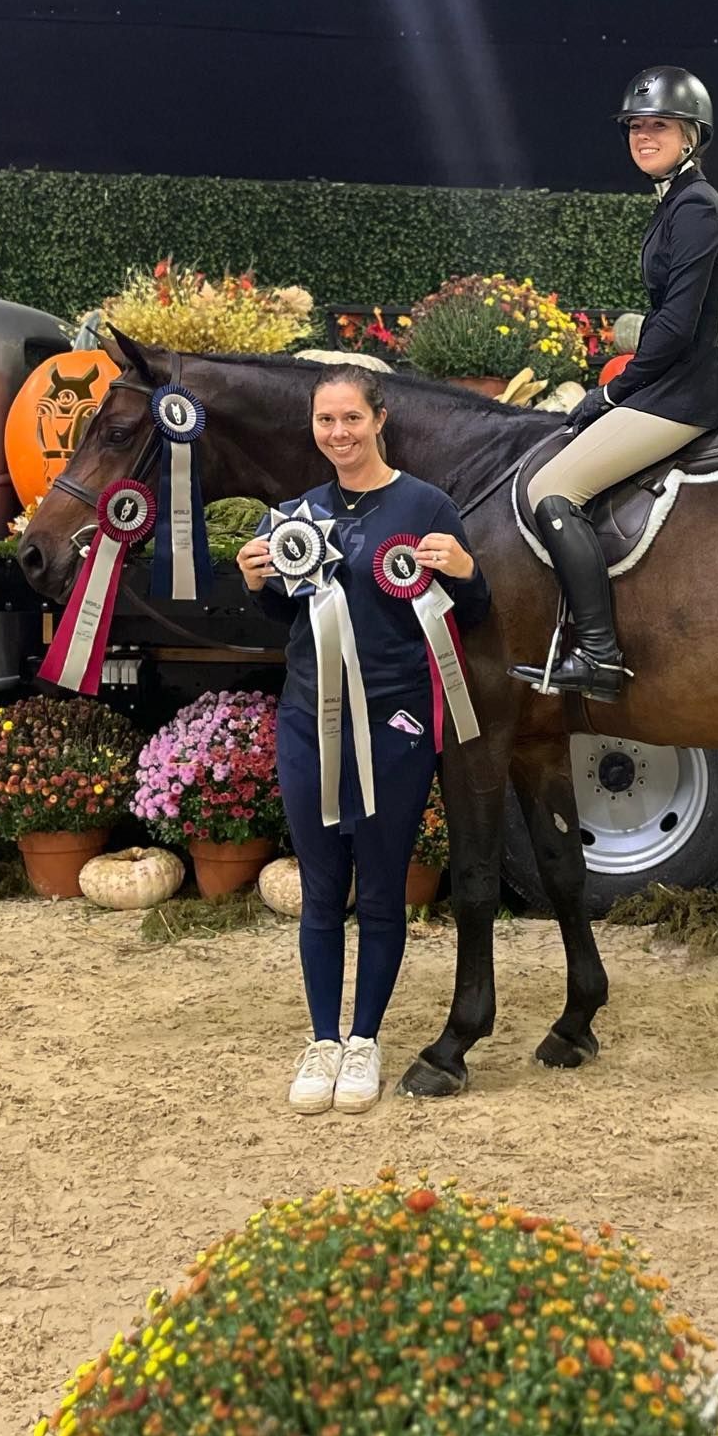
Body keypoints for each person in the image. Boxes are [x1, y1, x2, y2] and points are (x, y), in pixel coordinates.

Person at [236, 363, 490, 1115]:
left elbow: (466, 611)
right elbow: (285, 624)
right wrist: (255, 585)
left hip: (395, 722)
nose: (338, 433)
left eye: (351, 418)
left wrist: (469, 572)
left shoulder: (426, 504)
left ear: (380, 419)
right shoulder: (290, 516)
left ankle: (364, 1040)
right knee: (320, 890)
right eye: (325, 421)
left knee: (381, 890)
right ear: (312, 427)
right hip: (310, 722)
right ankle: (321, 1038)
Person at [510, 65, 718, 702]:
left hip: (685, 394)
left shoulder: (695, 208)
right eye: (635, 128)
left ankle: (600, 656)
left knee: (553, 490)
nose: (642, 137)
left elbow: (670, 331)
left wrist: (611, 392)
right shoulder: (676, 204)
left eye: (658, 126)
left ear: (692, 135)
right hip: (675, 384)